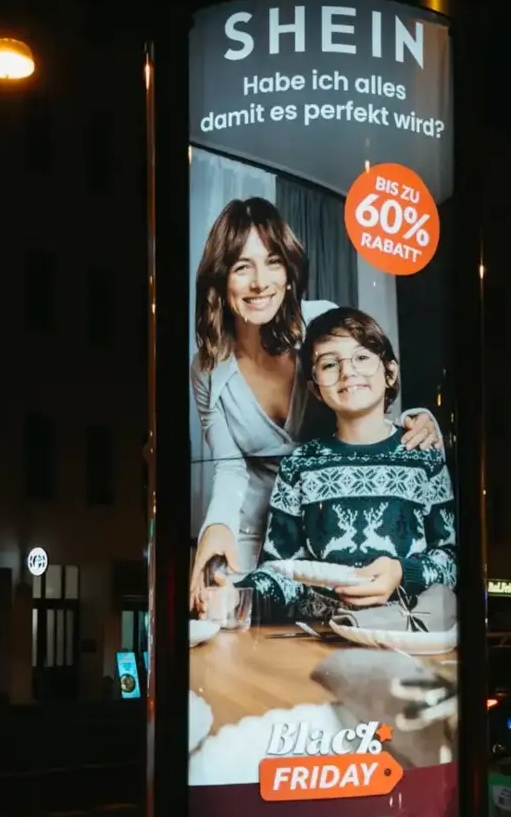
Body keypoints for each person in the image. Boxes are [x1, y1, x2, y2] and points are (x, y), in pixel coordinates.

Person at [189, 197, 440, 612]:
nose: (259, 283)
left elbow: (365, 399)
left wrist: (420, 420)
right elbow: (230, 468)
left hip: (335, 516)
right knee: (235, 625)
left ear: (288, 272)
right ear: (220, 280)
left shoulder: (321, 322)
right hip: (254, 525)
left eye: (272, 262)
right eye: (241, 267)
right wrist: (216, 528)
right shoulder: (207, 367)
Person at [236, 306, 457, 628]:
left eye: (362, 357)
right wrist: (236, 594)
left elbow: (451, 560)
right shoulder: (300, 465)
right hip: (318, 636)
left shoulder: (423, 454)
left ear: (390, 372)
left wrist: (401, 572)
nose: (348, 371)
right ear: (315, 389)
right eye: (329, 364)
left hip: (405, 633)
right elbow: (280, 569)